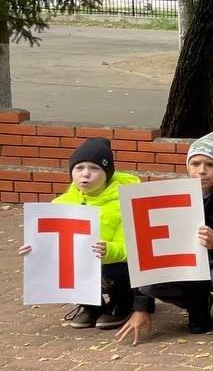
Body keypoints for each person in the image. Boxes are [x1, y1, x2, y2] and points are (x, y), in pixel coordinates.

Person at [117, 133, 213, 344]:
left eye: (210, 164)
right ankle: (197, 305)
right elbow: (148, 250)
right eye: (195, 164)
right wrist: (141, 307)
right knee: (150, 284)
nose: (201, 170)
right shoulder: (169, 195)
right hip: (186, 265)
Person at [19, 138, 142, 329]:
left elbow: (133, 249)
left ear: (107, 173)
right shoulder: (60, 204)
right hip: (83, 262)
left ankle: (122, 302)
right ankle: (91, 305)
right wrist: (35, 250)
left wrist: (109, 251)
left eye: (94, 168)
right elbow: (51, 244)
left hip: (116, 265)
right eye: (79, 168)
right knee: (63, 260)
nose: (85, 174)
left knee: (114, 268)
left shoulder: (125, 202)